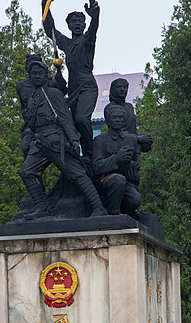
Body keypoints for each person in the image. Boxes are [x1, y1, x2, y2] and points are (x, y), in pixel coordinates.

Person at [19, 59, 107, 218]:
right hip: (39, 142)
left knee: (77, 174)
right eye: (33, 73)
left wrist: (73, 140)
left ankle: (98, 207)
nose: (37, 76)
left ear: (46, 75)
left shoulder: (53, 93)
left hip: (55, 140)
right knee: (26, 172)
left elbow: (65, 117)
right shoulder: (32, 98)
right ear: (30, 76)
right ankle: (41, 208)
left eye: (40, 73)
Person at [41, 0, 100, 161]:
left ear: (84, 25)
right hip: (73, 88)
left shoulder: (87, 41)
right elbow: (50, 30)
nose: (77, 24)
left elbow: (93, 31)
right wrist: (45, 3)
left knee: (81, 119)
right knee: (71, 125)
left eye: (80, 21)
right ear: (69, 25)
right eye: (74, 21)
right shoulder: (67, 44)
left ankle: (89, 154)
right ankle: (75, 154)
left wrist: (95, 17)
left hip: (87, 86)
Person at [92, 103, 141, 216]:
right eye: (114, 117)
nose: (118, 120)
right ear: (108, 121)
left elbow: (134, 162)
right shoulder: (100, 140)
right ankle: (113, 214)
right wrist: (116, 158)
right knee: (118, 180)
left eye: (120, 117)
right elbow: (96, 167)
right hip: (105, 180)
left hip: (126, 180)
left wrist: (133, 167)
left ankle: (127, 214)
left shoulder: (131, 140)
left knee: (135, 200)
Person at [16, 53, 67, 156]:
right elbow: (23, 106)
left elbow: (62, 91)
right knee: (26, 147)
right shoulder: (21, 86)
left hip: (49, 124)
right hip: (31, 124)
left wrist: (58, 69)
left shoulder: (49, 83)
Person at [109, 77, 153, 153]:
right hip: (119, 143)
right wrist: (138, 138)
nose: (122, 89)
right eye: (119, 87)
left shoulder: (129, 106)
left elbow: (133, 128)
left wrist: (142, 139)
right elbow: (117, 131)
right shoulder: (110, 107)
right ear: (113, 90)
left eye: (124, 87)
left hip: (133, 142)